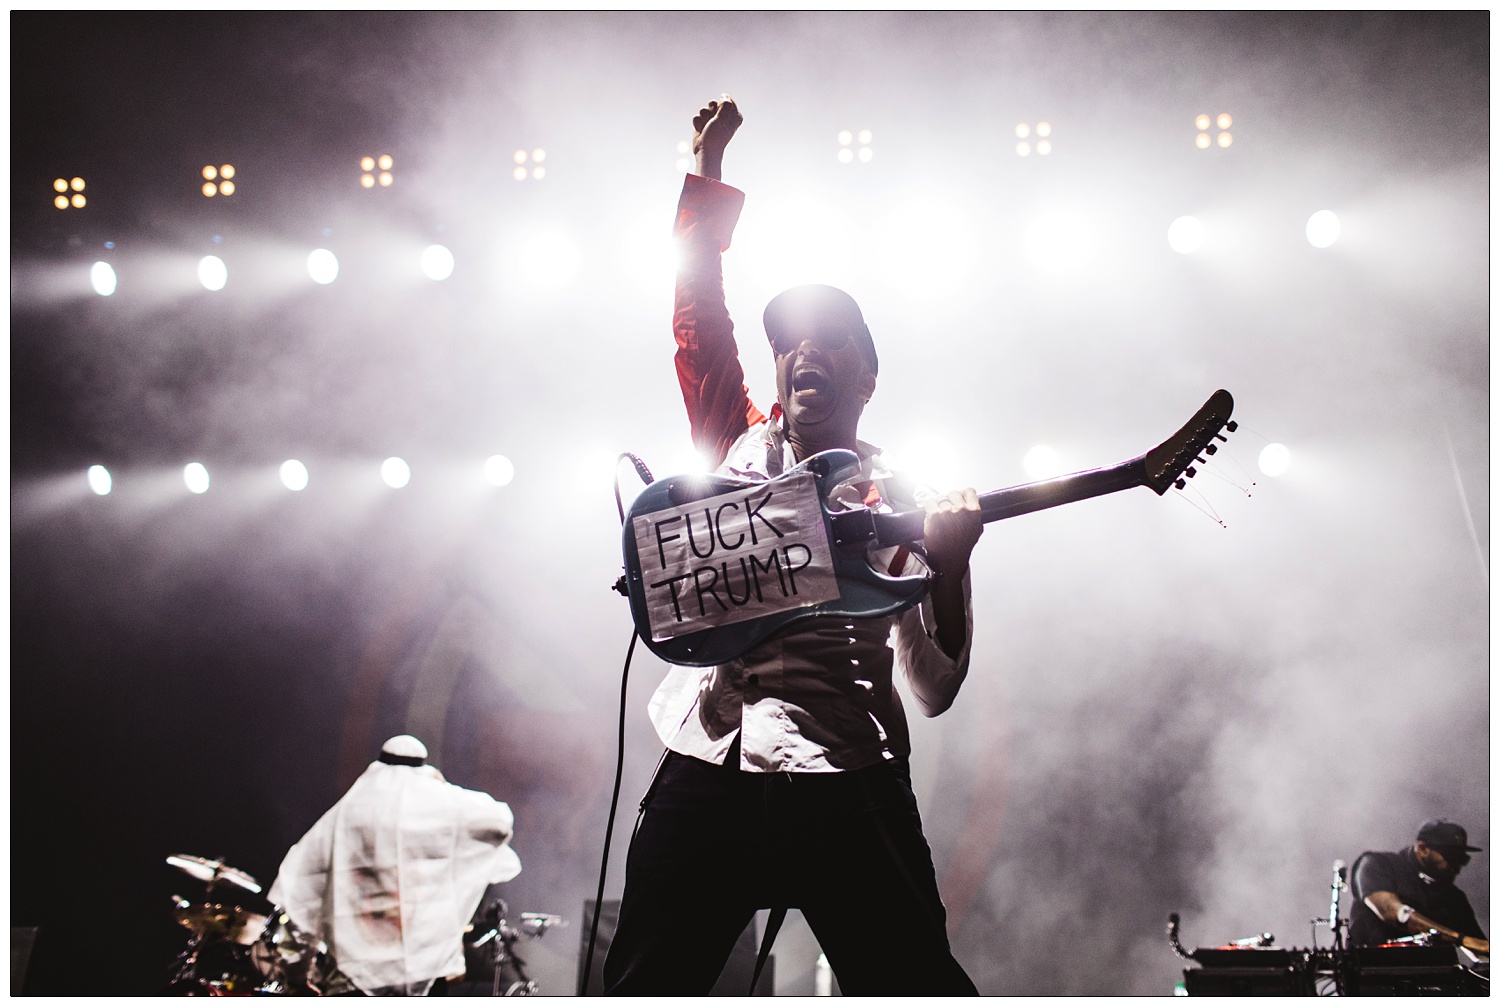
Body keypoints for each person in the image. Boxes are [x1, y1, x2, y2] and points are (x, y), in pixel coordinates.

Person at [602, 95, 984, 995]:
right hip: (714, 758)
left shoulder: (907, 499)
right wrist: (707, 171)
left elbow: (931, 691)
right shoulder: (734, 441)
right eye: (787, 343)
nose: (800, 350)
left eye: (828, 340)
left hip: (843, 771)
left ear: (866, 372)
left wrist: (953, 568)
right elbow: (697, 314)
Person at [267, 735, 522, 996]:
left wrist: (296, 975)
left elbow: (302, 901)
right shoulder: (443, 809)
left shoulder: (344, 818)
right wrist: (441, 786)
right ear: (422, 766)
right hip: (427, 974)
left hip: (353, 980)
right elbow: (499, 821)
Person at [1348, 818, 1487, 954]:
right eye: (1450, 856)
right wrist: (1462, 940)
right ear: (1423, 848)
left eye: (1462, 859)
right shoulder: (1377, 864)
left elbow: (1481, 947)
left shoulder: (1454, 897)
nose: (1457, 865)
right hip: (1372, 969)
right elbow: (1393, 913)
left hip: (1431, 975)